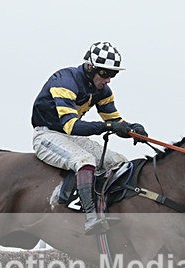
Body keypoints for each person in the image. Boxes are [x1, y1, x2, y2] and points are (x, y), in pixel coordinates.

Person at [31, 41, 148, 234]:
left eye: (114, 74)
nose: (109, 79)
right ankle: (90, 217)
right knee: (84, 160)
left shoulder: (102, 91)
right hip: (47, 135)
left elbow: (114, 120)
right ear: (90, 67)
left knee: (120, 162)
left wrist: (133, 128)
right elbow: (71, 126)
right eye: (105, 73)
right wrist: (109, 126)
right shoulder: (65, 81)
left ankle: (110, 206)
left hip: (69, 137)